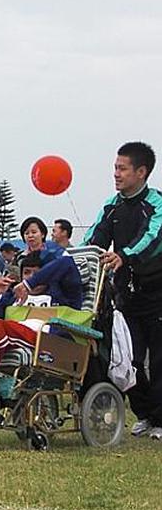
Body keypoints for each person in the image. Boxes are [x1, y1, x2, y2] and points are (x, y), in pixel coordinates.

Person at [83, 141, 162, 440]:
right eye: (115, 167)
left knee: (157, 361)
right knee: (128, 357)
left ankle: (160, 419)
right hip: (126, 296)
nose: (116, 174)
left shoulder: (156, 204)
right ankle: (144, 414)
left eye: (122, 168)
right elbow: (94, 238)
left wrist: (124, 255)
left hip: (157, 294)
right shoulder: (112, 205)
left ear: (141, 172)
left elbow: (152, 238)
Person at [0, 252, 83, 412]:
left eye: (37, 273)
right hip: (10, 339)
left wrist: (30, 284)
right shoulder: (12, 298)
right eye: (27, 273)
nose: (31, 277)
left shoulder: (62, 294)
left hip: (45, 341)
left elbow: (67, 262)